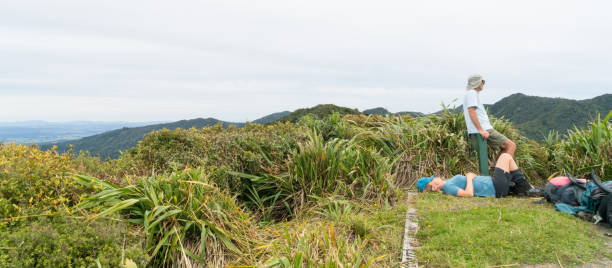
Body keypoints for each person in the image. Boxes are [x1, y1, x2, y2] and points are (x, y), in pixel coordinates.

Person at [416, 153, 534, 198]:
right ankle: (525, 187)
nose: (435, 177)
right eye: (432, 180)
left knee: (508, 162)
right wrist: (469, 178)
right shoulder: (448, 187)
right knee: (505, 157)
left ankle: (523, 187)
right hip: (495, 187)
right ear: (434, 187)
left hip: (495, 184)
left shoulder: (447, 182)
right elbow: (469, 194)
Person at [463, 74, 516, 158]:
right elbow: (471, 111)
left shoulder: (471, 94)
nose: (483, 84)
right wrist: (480, 130)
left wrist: (473, 130)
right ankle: (502, 170)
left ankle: (497, 169)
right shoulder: (472, 93)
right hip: (484, 129)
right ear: (477, 82)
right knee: (511, 145)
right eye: (482, 81)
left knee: (504, 147)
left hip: (481, 129)